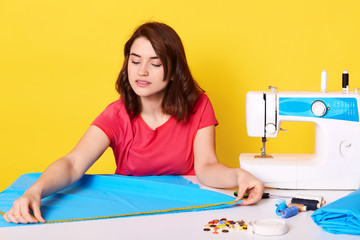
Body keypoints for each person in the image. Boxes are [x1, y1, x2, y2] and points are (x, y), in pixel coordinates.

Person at [3, 22, 264, 224]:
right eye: (135, 60)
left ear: (173, 72)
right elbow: (73, 164)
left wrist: (238, 175)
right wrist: (35, 191)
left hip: (183, 209)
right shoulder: (117, 114)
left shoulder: (199, 104)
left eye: (155, 63)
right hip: (129, 210)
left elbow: (206, 167)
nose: (141, 71)